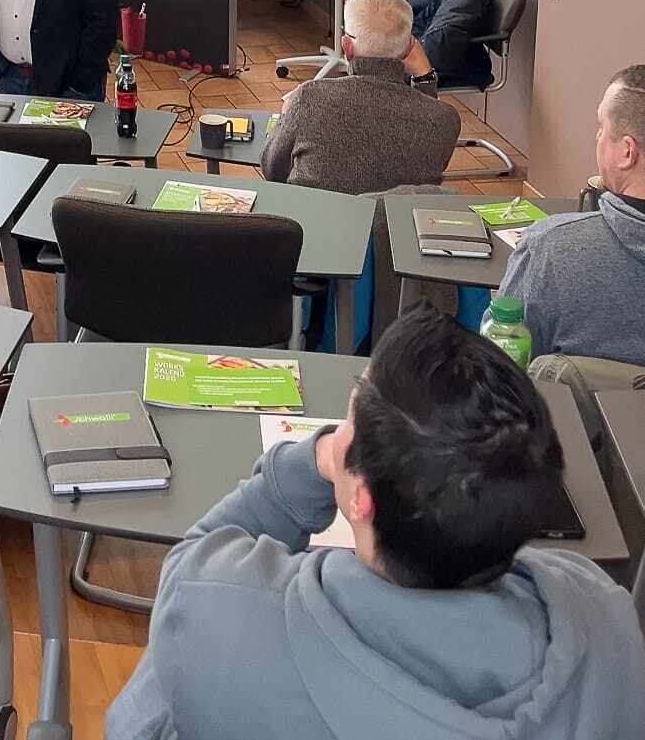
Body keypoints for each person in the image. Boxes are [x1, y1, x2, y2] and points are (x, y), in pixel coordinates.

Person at [107, 302, 645, 740]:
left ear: (360, 498)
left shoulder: (221, 609)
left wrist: (308, 462)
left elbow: (196, 559)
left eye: (353, 409)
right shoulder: (604, 618)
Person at [501, 64, 645, 364]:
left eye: (602, 127)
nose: (597, 137)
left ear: (627, 152)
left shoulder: (548, 250)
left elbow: (503, 369)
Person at [261, 0, 461, 193]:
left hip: (315, 223)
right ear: (410, 46)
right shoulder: (445, 119)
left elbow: (272, 170)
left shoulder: (311, 97)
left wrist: (285, 118)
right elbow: (424, 173)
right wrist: (425, 78)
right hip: (393, 225)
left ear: (346, 46)